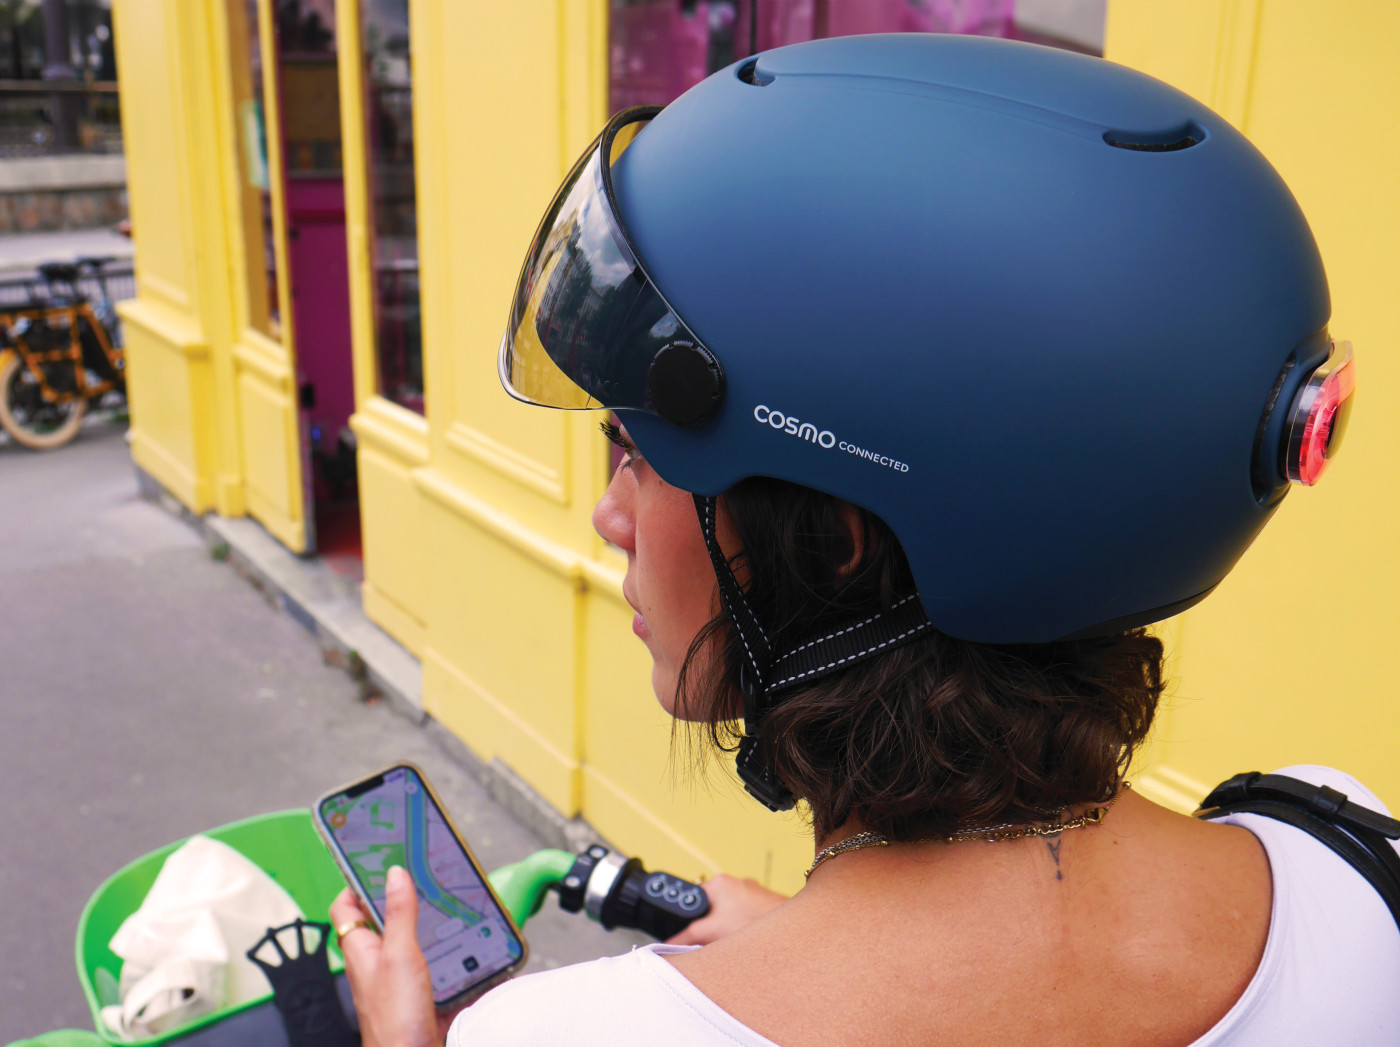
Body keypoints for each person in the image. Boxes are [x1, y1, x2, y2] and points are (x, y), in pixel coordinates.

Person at [331, 33, 1385, 1046]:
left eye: (636, 453)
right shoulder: (1346, 864)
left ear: (834, 543)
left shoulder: (552, 1035)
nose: (610, 516)